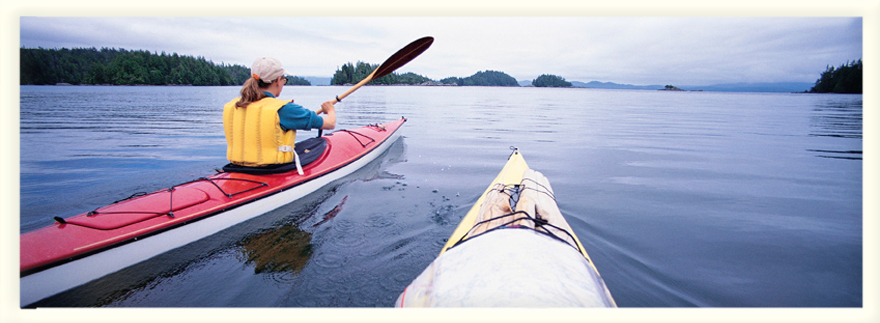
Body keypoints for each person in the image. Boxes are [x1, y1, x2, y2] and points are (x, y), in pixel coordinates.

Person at [223, 57, 337, 169]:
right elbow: (330, 123)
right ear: (278, 80)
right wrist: (330, 109)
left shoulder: (234, 105)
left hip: (236, 167)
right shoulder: (284, 109)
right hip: (272, 169)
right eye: (284, 80)